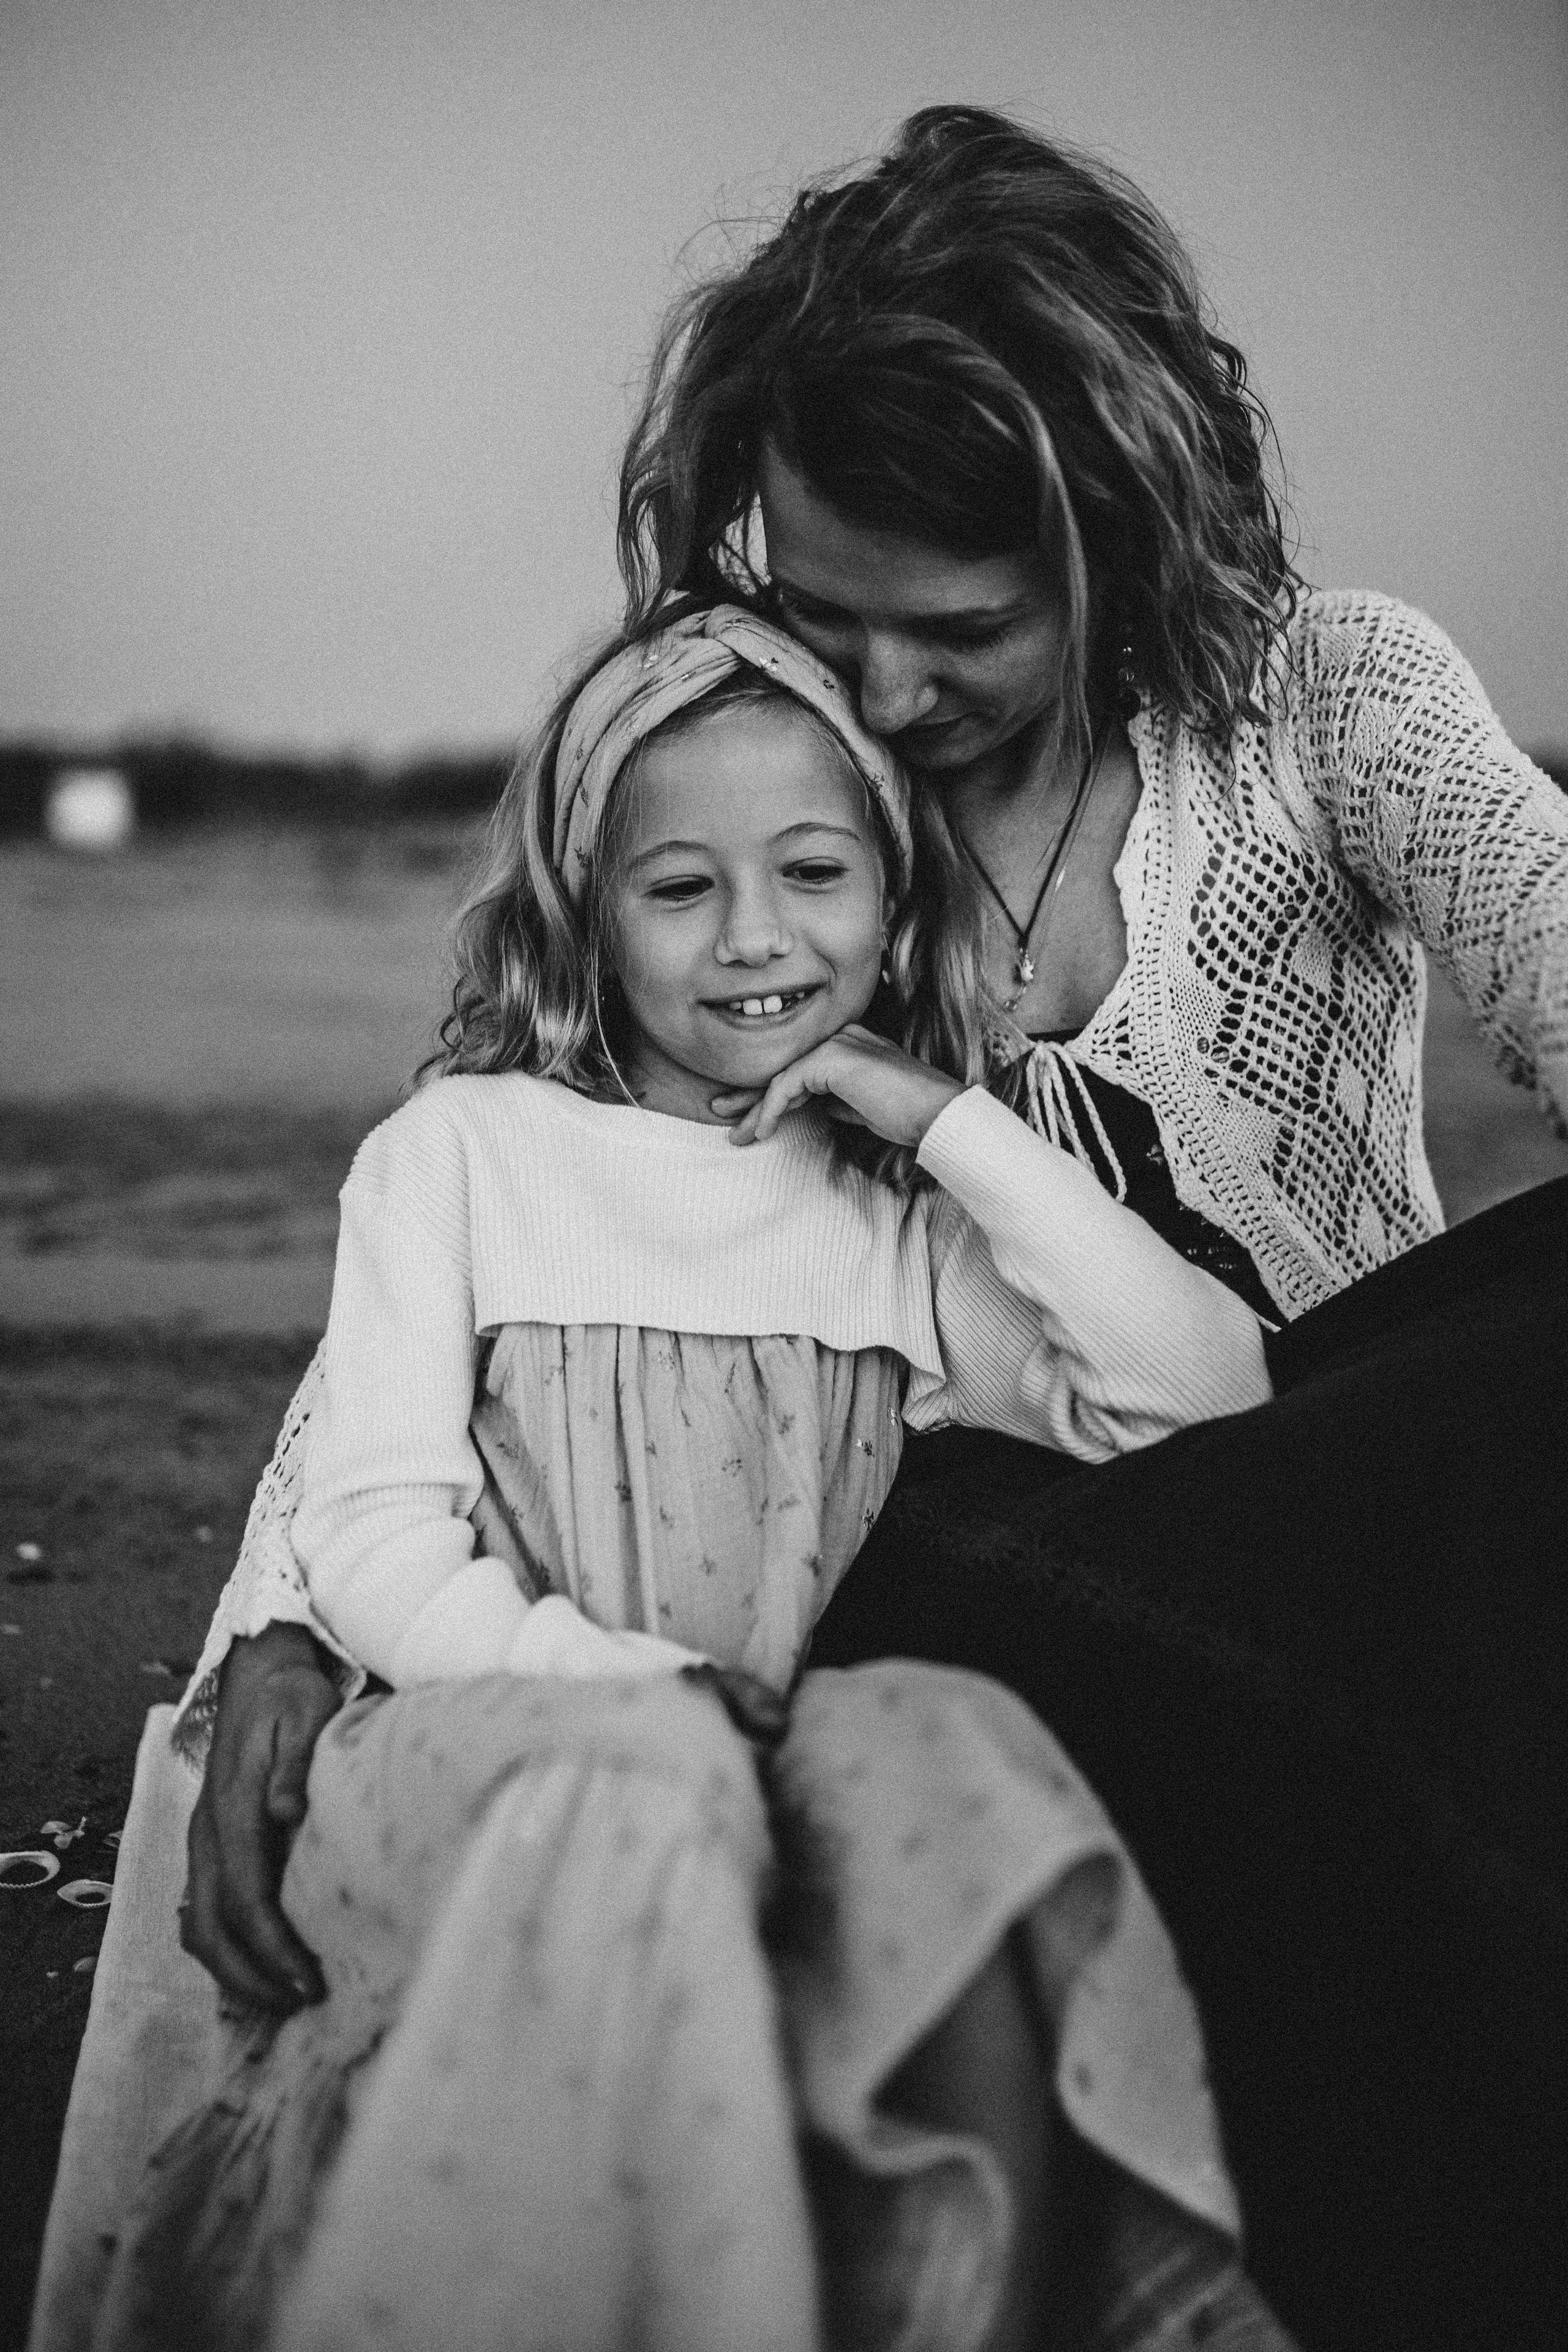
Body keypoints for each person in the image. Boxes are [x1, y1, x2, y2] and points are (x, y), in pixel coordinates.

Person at [183, 107, 1568, 2349]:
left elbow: (1552, 933)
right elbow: (504, 1184)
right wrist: (287, 1613)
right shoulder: (756, 787)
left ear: (1126, 535)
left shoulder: (1330, 702)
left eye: (963, 629)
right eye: (822, 607)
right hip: (980, 1551)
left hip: (1337, 1481)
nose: (886, 694)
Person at [106, 608, 1295, 2352]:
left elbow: (1203, 1392)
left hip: (737, 1737)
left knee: (958, 1744)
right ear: (590, 913)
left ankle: (957, 2295)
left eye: (815, 871)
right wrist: (633, 1694)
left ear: (895, 901)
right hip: (471, 1740)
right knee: (655, 1782)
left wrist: (942, 1122)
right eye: (680, 890)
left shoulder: (884, 1224)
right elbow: (365, 1537)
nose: (756, 938)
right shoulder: (463, 1154)